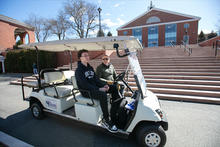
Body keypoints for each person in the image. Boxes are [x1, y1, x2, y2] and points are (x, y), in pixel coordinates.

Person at [75, 49, 120, 133]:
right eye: (85, 55)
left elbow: (96, 80)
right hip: (86, 91)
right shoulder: (79, 70)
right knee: (102, 95)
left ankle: (114, 111)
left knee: (114, 88)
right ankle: (106, 120)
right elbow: (84, 84)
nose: (87, 57)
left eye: (88, 55)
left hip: (94, 88)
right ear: (80, 58)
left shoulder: (90, 68)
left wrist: (104, 85)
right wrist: (99, 89)